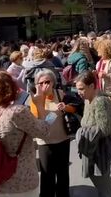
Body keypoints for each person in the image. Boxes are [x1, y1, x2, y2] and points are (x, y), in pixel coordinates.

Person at [0, 71, 53, 196]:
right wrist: (40, 105)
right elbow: (43, 132)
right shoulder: (17, 112)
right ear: (12, 89)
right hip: (21, 181)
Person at [28, 69, 75, 197]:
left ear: (53, 82)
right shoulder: (35, 99)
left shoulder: (60, 93)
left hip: (63, 139)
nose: (44, 85)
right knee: (47, 175)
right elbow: (37, 119)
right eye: (40, 83)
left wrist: (66, 107)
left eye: (47, 82)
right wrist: (40, 102)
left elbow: (73, 107)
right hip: (45, 142)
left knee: (63, 174)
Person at [74, 72, 111, 197]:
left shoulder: (100, 101)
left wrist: (82, 132)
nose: (79, 92)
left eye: (81, 89)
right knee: (99, 182)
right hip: (92, 148)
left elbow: (104, 130)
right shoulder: (88, 100)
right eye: (77, 89)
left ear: (92, 86)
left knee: (103, 182)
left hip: (101, 150)